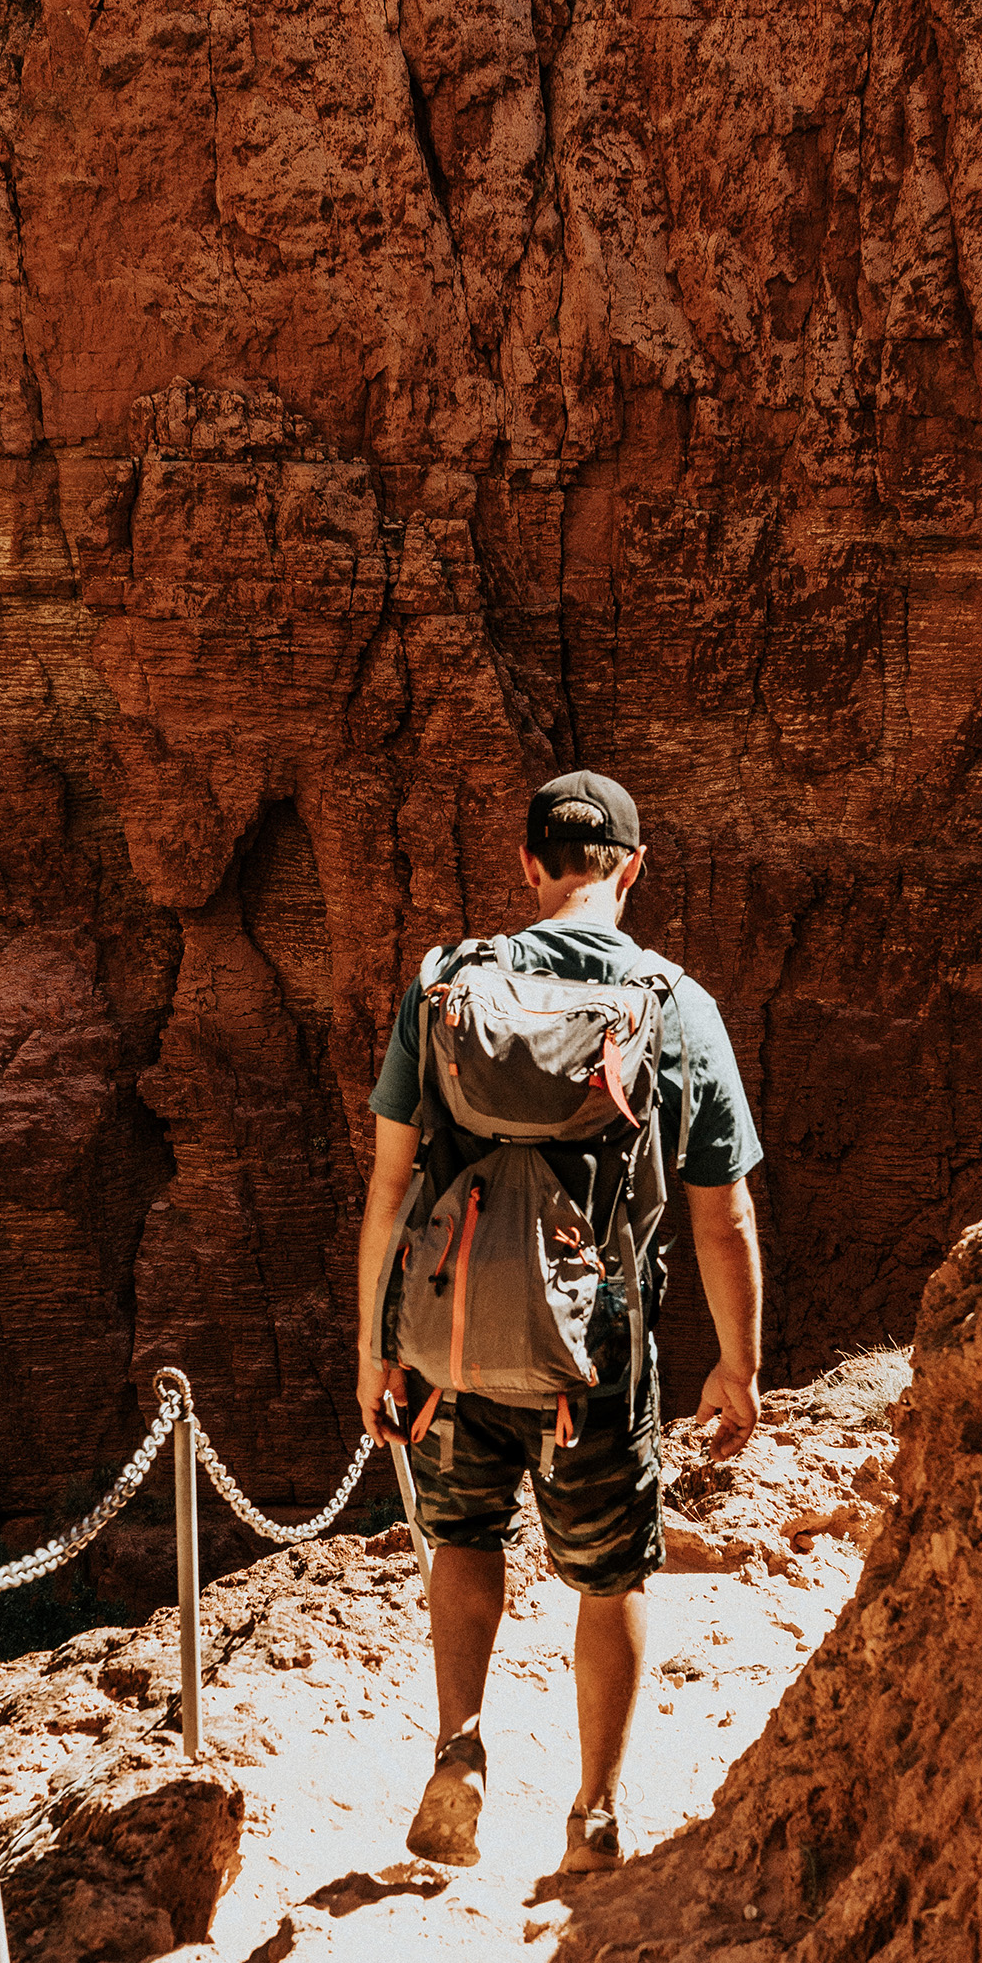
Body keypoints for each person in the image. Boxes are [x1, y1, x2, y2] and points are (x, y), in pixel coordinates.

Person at [355, 771, 764, 1873]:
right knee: (612, 1575)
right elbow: (721, 1213)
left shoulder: (444, 987)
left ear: (529, 867)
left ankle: (460, 1751)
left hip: (446, 1342)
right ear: (631, 871)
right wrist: (738, 1363)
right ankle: (591, 1815)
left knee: (464, 1540)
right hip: (598, 1359)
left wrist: (375, 1346)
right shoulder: (675, 1005)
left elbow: (391, 1184)